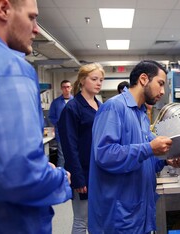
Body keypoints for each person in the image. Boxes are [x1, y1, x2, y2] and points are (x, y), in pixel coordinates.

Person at [0, 0, 72, 233]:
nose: (36, 28)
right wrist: (60, 178)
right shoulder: (7, 67)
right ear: (3, 9)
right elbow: (20, 175)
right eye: (32, 17)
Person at [88, 60, 180, 233]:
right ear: (143, 79)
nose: (163, 91)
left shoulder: (142, 113)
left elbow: (145, 159)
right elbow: (104, 155)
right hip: (118, 214)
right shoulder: (114, 107)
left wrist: (166, 160)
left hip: (138, 210)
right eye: (160, 83)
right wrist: (149, 148)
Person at [58, 63, 105, 234]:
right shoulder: (72, 108)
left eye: (101, 80)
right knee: (81, 220)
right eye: (94, 79)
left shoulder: (100, 106)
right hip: (82, 173)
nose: (98, 83)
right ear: (83, 80)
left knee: (98, 218)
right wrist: (77, 177)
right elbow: (69, 147)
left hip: (99, 172)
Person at [48, 80, 73, 167]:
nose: (66, 89)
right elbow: (51, 116)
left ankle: (73, 177)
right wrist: (59, 124)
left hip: (74, 134)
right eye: (64, 87)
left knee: (74, 156)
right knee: (61, 157)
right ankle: (61, 177)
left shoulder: (76, 101)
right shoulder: (56, 103)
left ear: (71, 88)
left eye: (68, 87)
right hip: (61, 134)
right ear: (61, 88)